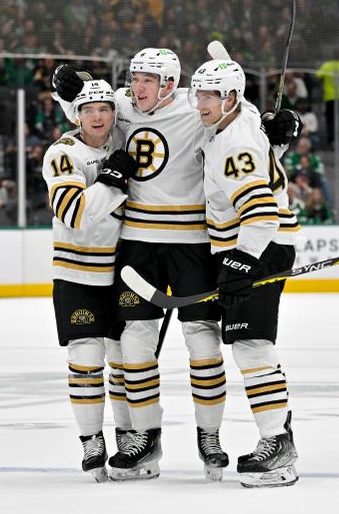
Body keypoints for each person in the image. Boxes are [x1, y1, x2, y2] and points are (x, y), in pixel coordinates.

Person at [52, 49, 225, 481]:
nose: (137, 88)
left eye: (148, 80)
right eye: (134, 78)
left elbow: (237, 119)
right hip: (137, 246)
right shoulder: (121, 104)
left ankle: (210, 436)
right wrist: (63, 87)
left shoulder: (194, 105)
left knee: (203, 342)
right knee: (132, 347)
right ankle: (145, 436)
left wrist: (275, 132)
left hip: (191, 244)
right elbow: (85, 108)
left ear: (170, 84)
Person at [188, 58, 302, 488]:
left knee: (252, 346)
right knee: (250, 346)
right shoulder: (245, 116)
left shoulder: (234, 145)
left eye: (208, 96)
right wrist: (278, 143)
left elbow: (261, 213)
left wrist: (240, 261)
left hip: (258, 246)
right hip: (249, 248)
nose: (199, 103)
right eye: (197, 94)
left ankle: (277, 443)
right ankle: (279, 435)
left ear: (231, 98)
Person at [41, 80, 133, 482]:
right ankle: (91, 439)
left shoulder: (123, 141)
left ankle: (130, 436)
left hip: (121, 270)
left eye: (105, 108)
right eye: (89, 109)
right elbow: (74, 213)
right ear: (75, 114)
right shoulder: (62, 154)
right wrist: (112, 182)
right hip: (77, 274)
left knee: (128, 362)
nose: (98, 116)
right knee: (85, 362)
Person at [315, 49, 339, 146]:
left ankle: (331, 138)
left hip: (329, 96)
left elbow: (317, 76)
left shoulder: (326, 66)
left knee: (330, 117)